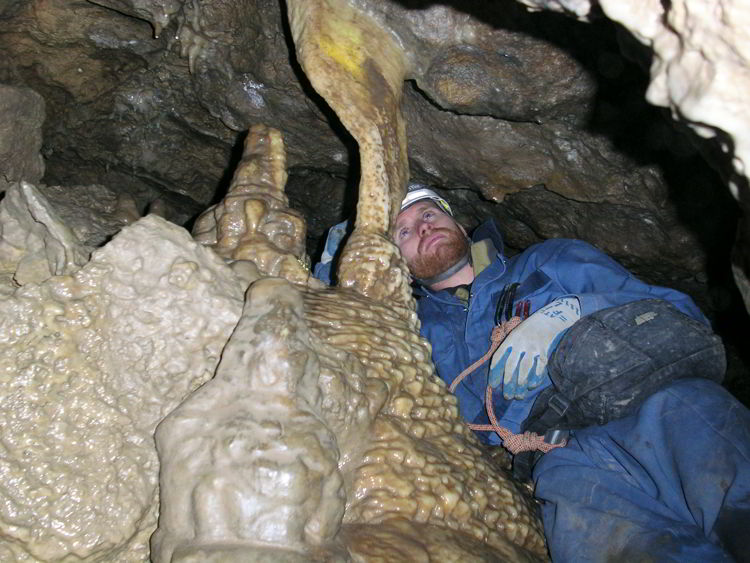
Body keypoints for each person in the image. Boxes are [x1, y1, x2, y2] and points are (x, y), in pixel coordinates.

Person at [317, 184, 750, 561]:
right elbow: (341, 363)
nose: (423, 228)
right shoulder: (414, 332)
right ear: (396, 260)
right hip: (562, 468)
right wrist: (335, 272)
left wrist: (574, 310)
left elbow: (682, 315)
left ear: (458, 223)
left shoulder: (550, 260)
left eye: (428, 214)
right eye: (404, 231)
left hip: (654, 404)